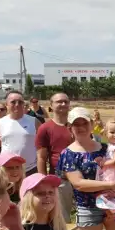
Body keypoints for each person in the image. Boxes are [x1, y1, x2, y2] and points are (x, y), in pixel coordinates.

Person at [36, 92, 74, 222]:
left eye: (66, 101)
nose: (63, 104)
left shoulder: (77, 126)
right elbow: (41, 157)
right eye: (59, 102)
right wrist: (43, 180)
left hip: (82, 176)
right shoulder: (45, 128)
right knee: (62, 215)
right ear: (51, 106)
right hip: (61, 178)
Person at [0, 90, 40, 175]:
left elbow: (42, 146)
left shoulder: (34, 122)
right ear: (6, 105)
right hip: (7, 170)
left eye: (20, 102)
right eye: (13, 102)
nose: (17, 105)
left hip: (31, 170)